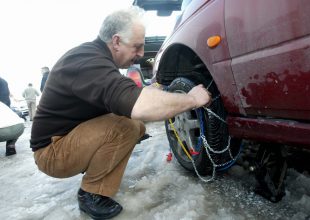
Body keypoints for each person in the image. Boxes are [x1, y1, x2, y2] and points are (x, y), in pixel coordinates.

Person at [30, 6, 211, 220]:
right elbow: (140, 106)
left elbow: (126, 97)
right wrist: (191, 99)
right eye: (137, 46)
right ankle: (91, 194)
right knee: (126, 127)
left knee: (134, 126)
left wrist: (152, 93)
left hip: (66, 139)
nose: (142, 54)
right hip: (52, 152)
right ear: (116, 41)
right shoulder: (87, 61)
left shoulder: (96, 58)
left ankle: (95, 182)